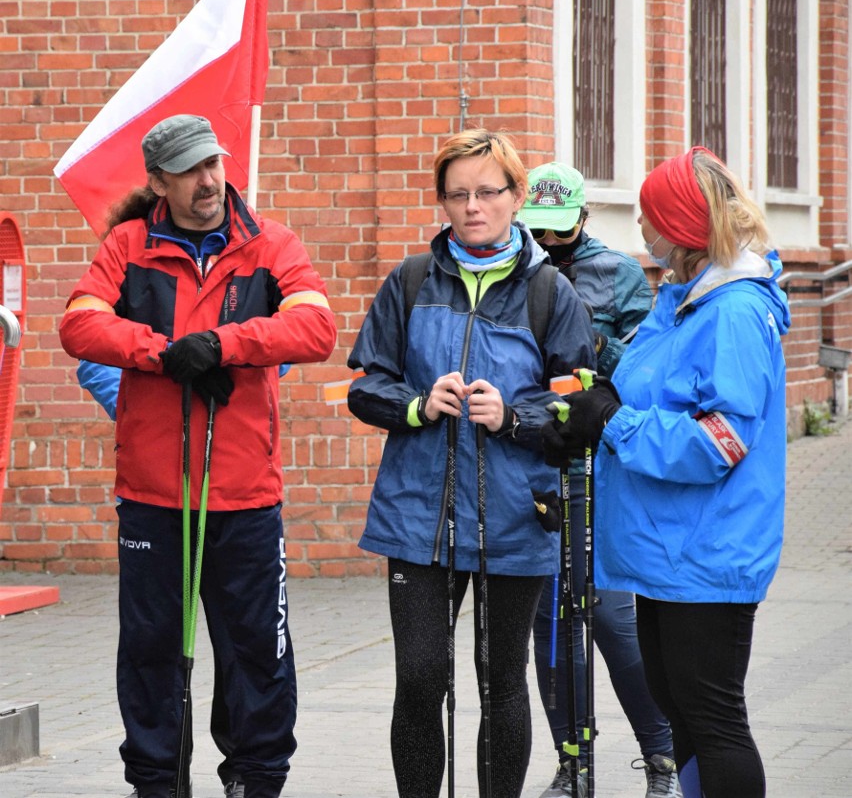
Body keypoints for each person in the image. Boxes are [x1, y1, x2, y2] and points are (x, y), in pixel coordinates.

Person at [59, 114, 337, 798]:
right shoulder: (128, 245)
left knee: (257, 656)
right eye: (189, 169)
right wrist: (165, 356)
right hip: (154, 498)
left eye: (213, 163)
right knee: (151, 654)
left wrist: (223, 344)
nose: (209, 179)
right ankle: (157, 784)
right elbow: (78, 323)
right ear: (158, 181)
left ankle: (255, 780)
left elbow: (317, 325)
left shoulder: (271, 243)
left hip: (246, 497)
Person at [346, 129, 596, 798]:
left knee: (501, 677)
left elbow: (583, 404)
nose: (473, 206)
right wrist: (419, 405)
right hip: (416, 517)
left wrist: (513, 415)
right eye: (457, 194)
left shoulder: (550, 292)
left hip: (516, 516)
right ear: (442, 201)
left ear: (516, 196)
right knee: (421, 676)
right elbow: (367, 387)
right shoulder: (408, 281)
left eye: (488, 192)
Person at [541, 147, 789, 798]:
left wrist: (614, 423)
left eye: (652, 219)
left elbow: (721, 438)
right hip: (668, 548)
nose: (642, 232)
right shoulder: (686, 297)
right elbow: (654, 390)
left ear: (682, 226)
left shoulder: (732, 311)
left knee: (713, 720)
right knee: (682, 714)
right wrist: (599, 397)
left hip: (705, 551)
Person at [518, 162, 681, 798]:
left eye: (560, 230)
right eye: (538, 230)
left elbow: (646, 371)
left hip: (599, 471)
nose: (548, 242)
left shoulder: (618, 275)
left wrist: (586, 338)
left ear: (584, 218)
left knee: (613, 624)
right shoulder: (513, 273)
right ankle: (571, 762)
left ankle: (662, 757)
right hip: (532, 465)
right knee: (551, 627)